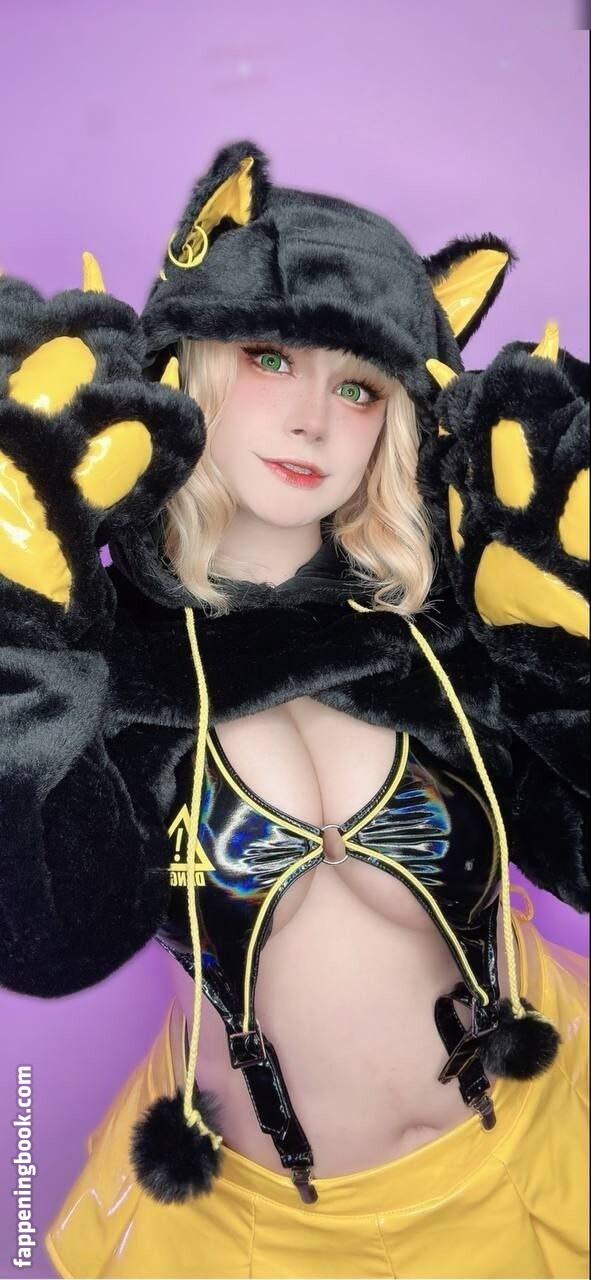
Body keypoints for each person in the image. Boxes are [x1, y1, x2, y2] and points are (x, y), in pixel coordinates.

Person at [0, 139, 588, 1279]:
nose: (315, 419)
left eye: (358, 385)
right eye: (270, 358)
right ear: (191, 362)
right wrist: (23, 652)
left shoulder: (446, 629)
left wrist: (570, 664)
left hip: (540, 1147)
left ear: (395, 415)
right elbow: (54, 942)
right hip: (264, 1230)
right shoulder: (102, 661)